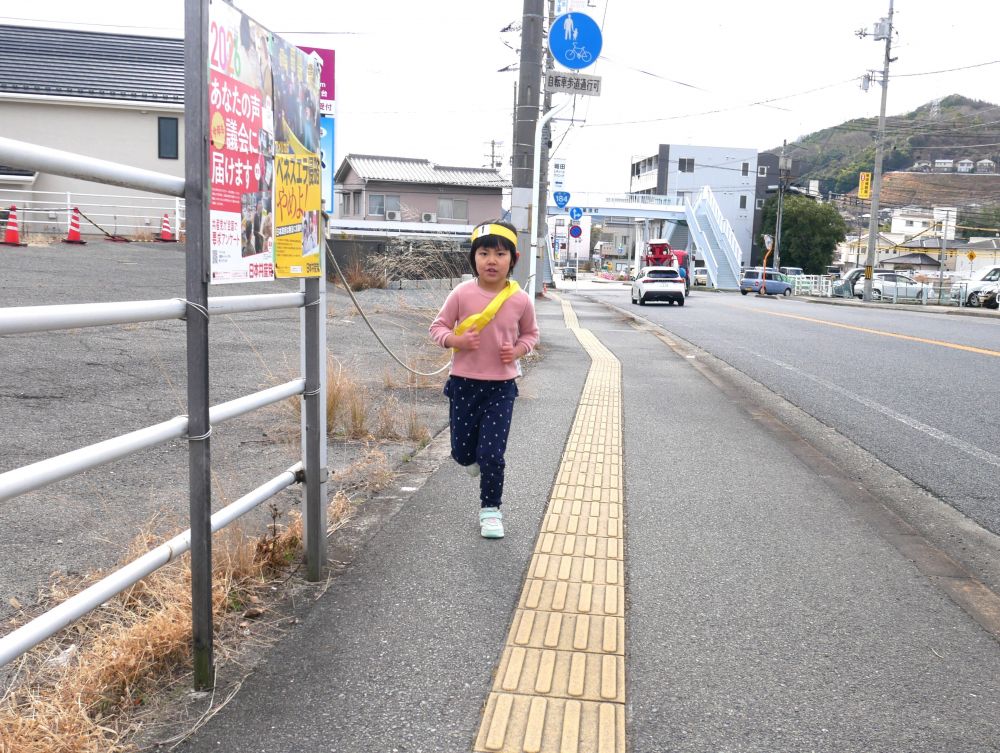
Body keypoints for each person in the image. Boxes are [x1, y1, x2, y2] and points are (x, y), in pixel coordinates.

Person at [429, 221, 539, 539]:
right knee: (462, 454)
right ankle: (474, 459)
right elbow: (437, 327)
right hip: (463, 384)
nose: (492, 260)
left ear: (514, 258)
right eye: (484, 253)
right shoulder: (461, 293)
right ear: (473, 257)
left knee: (492, 455)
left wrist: (517, 350)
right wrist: (455, 340)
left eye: (500, 254)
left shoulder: (520, 300)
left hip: (501, 388)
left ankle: (491, 511)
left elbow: (531, 334)